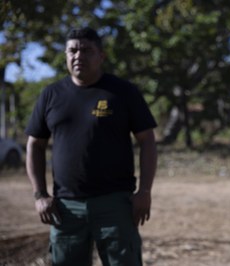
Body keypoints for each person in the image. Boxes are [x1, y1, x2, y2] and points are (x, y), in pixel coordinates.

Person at [25, 27, 157, 266]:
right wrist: (40, 194)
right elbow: (35, 145)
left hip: (116, 204)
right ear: (65, 55)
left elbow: (147, 140)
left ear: (101, 56)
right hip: (65, 208)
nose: (78, 56)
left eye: (87, 50)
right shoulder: (51, 95)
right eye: (72, 50)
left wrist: (145, 192)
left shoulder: (123, 92)